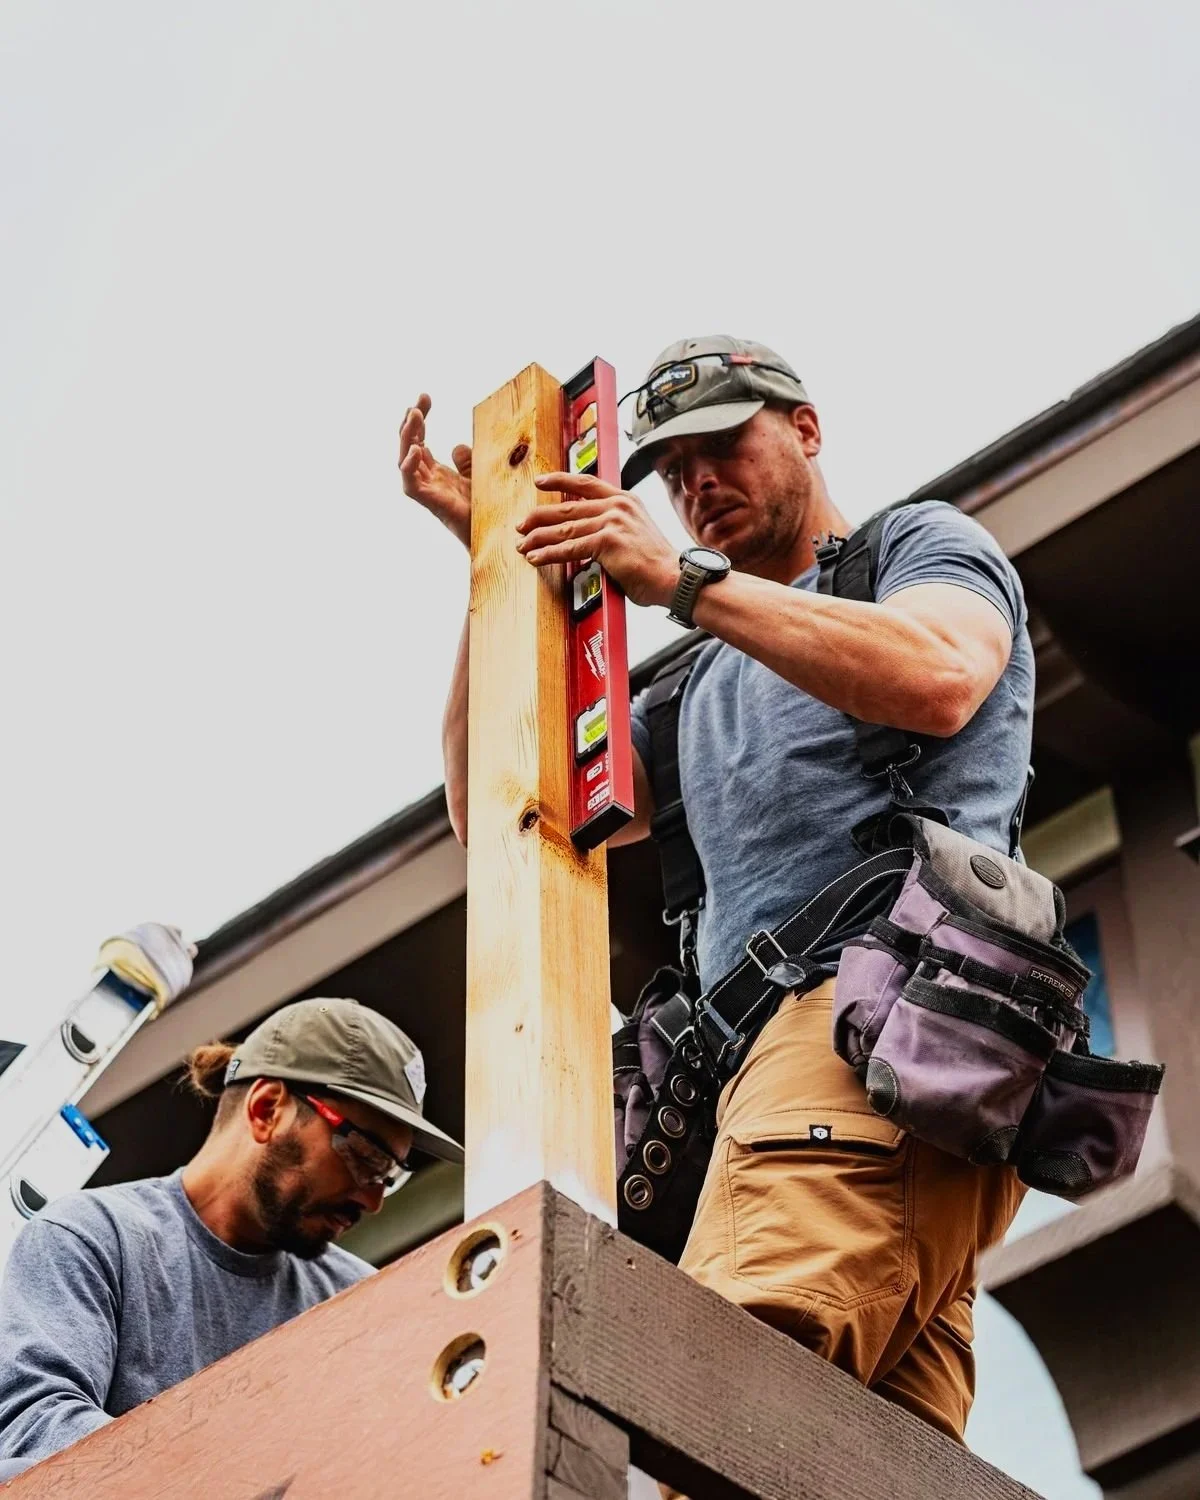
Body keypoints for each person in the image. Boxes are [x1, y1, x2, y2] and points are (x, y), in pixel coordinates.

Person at [399, 335, 1033, 1444]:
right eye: (673, 471)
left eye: (721, 446)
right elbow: (494, 807)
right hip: (816, 1083)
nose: (696, 486)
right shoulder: (697, 681)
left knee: (715, 1406)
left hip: (867, 1026)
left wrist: (681, 584)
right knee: (867, 1459)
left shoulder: (912, 551)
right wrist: (495, 574)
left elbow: (940, 676)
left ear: (805, 427)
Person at [0, 996, 462, 1478]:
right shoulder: (93, 1238)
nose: (373, 1201)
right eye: (365, 1158)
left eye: (388, 1175)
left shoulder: (360, 1302)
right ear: (266, 1110)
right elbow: (37, 1425)